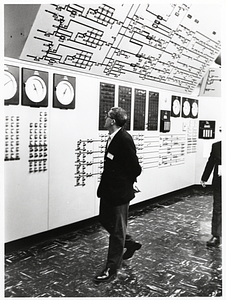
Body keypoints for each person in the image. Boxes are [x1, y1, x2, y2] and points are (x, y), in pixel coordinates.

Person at [94, 107, 142, 283]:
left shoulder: (124, 139)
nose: (104, 119)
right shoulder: (112, 137)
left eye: (107, 117)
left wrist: (126, 183)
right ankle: (128, 242)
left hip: (119, 193)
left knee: (116, 232)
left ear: (112, 121)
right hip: (108, 190)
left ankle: (111, 268)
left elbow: (136, 168)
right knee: (105, 220)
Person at [200, 136, 222, 247]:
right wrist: (204, 177)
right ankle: (216, 235)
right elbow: (210, 163)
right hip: (219, 183)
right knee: (217, 209)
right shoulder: (216, 146)